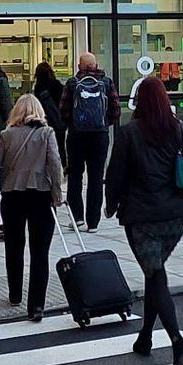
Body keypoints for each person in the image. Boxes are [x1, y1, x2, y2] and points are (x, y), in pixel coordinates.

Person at [104, 76, 183, 365]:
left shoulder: (129, 133)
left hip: (141, 217)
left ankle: (178, 342)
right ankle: (145, 337)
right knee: (154, 273)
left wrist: (110, 205)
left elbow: (116, 175)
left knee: (156, 274)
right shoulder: (180, 130)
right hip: (175, 216)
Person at [0, 94, 63, 319]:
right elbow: (55, 165)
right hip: (40, 195)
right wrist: (57, 195)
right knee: (40, 253)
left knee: (13, 247)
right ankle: (36, 306)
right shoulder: (46, 133)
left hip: (12, 195)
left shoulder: (6, 135)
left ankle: (15, 295)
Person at [59, 51, 120, 232]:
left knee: (75, 176)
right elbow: (115, 110)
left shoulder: (72, 83)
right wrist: (103, 123)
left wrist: (74, 124)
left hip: (76, 136)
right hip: (100, 136)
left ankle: (77, 218)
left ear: (79, 67)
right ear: (96, 65)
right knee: (95, 177)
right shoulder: (106, 83)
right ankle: (93, 222)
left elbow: (63, 110)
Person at [32, 61, 67, 161]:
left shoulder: (38, 88)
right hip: (59, 122)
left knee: (44, 148)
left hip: (44, 123)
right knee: (60, 147)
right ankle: (62, 167)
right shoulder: (58, 85)